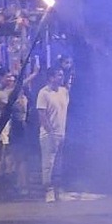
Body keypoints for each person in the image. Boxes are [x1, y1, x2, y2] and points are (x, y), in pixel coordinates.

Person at [35, 65, 71, 202]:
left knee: (58, 163)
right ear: (51, 77)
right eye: (59, 75)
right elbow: (42, 114)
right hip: (49, 134)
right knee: (48, 163)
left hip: (61, 133)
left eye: (62, 75)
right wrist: (50, 131)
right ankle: (48, 191)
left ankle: (58, 189)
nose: (61, 78)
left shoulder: (64, 92)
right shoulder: (44, 93)